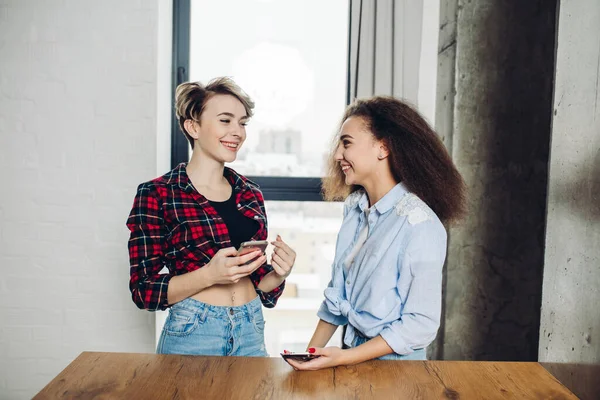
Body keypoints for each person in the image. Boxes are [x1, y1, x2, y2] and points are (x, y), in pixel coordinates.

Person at [286, 96, 466, 370]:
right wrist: (308, 357)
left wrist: (342, 357)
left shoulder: (420, 225)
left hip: (396, 371)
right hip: (349, 361)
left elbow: (420, 324)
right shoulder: (354, 210)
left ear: (383, 148)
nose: (337, 155)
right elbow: (337, 297)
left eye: (346, 143)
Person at [126, 77, 296, 357]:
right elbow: (144, 291)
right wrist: (209, 275)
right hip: (194, 331)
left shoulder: (250, 192)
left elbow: (261, 283)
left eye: (242, 123)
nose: (237, 132)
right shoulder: (157, 194)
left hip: (250, 327)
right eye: (225, 120)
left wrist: (279, 273)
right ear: (193, 126)